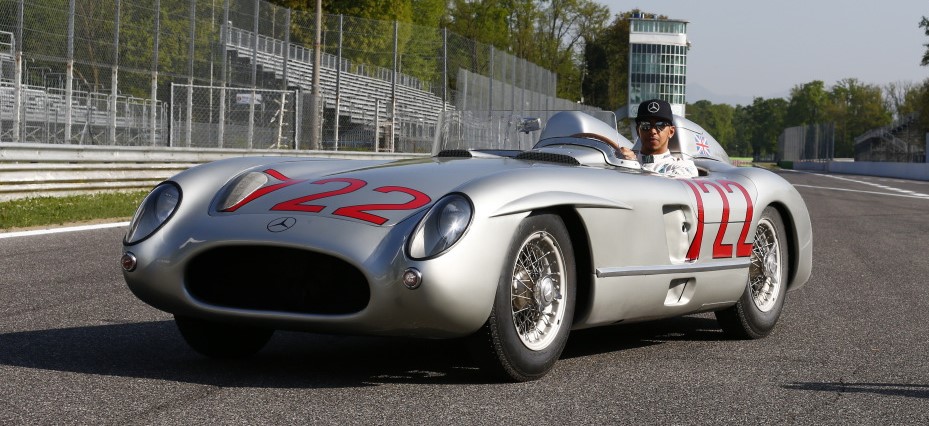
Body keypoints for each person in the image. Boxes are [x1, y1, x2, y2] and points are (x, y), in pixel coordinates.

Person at [618, 99, 698, 178]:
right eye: (645, 125)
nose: (652, 131)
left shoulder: (684, 166)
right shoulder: (621, 160)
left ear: (671, 132)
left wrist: (632, 165)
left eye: (661, 125)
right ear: (638, 131)